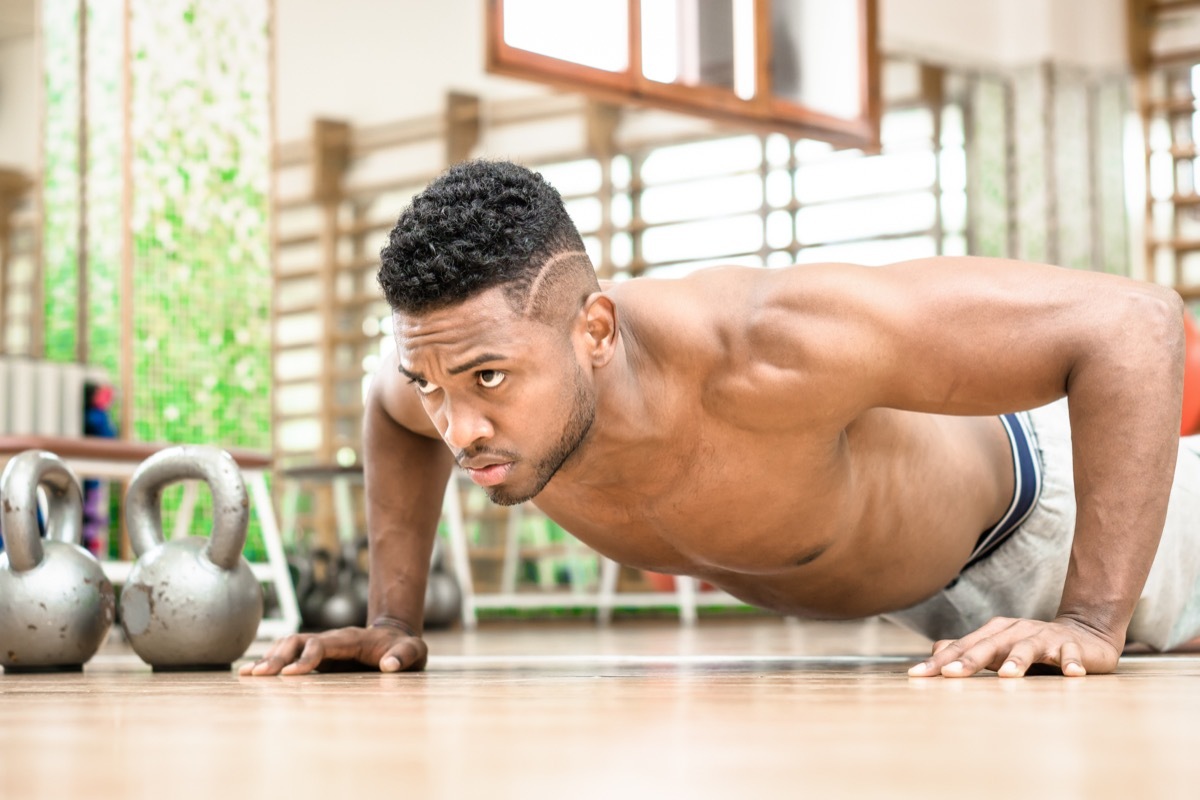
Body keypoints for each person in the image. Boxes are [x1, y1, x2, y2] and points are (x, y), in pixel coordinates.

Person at [243, 159, 1200, 680]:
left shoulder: (775, 344)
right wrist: (390, 618)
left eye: (489, 378)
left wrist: (1088, 616)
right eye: (434, 384)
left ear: (597, 330)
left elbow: (1135, 325)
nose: (459, 426)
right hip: (939, 611)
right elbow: (390, 411)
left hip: (1075, 520)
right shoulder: (448, 377)